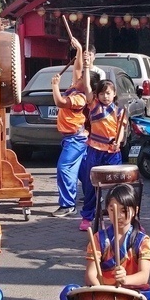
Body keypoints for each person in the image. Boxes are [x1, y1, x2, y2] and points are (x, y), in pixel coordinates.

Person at [59, 183, 150, 300]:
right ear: (107, 209)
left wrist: (125, 279)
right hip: (102, 293)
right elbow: (90, 275)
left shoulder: (142, 240)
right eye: (113, 209)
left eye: (124, 210)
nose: (119, 215)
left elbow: (143, 276)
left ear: (135, 211)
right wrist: (101, 292)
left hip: (131, 295)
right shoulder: (98, 238)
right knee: (68, 292)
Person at [77, 75, 125, 232]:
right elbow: (87, 88)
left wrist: (119, 141)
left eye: (108, 93)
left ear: (114, 94)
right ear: (97, 96)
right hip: (95, 150)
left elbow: (121, 130)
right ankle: (87, 217)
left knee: (116, 187)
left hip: (112, 153)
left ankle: (121, 217)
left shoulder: (119, 111)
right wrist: (86, 66)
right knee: (92, 185)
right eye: (102, 93)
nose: (105, 96)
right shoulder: (93, 106)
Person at [50, 37, 89, 218]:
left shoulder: (80, 97)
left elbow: (60, 102)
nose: (78, 76)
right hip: (74, 138)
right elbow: (78, 68)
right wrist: (79, 50)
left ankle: (67, 205)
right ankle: (92, 199)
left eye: (81, 78)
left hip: (75, 139)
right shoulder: (76, 87)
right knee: (83, 171)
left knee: (64, 168)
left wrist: (55, 86)